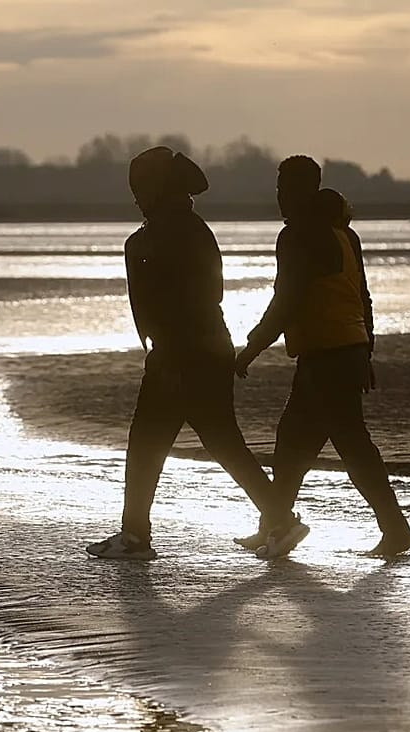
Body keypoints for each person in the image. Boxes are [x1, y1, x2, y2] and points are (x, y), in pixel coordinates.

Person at [85, 147, 307, 561]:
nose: (136, 197)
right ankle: (279, 518)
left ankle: (135, 535)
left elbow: (188, 296)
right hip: (202, 349)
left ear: (157, 188)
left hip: (183, 355)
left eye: (141, 188)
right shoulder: (185, 228)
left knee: (150, 443)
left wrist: (169, 349)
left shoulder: (166, 234)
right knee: (220, 442)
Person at [236, 157, 410, 558]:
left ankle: (395, 530)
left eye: (285, 188)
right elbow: (362, 299)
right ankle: (275, 525)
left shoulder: (298, 236)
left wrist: (250, 348)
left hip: (326, 358)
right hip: (342, 353)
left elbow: (287, 301)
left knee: (348, 446)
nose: (279, 196)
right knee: (296, 444)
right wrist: (365, 349)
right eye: (278, 187)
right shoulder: (344, 235)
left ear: (304, 190)